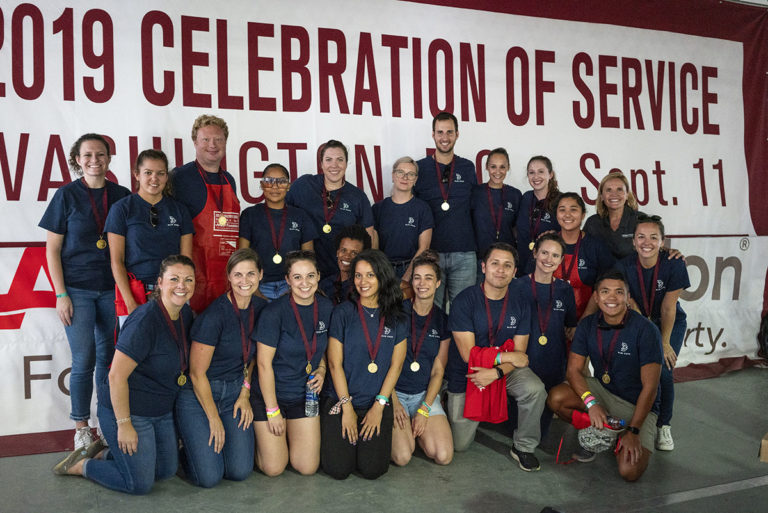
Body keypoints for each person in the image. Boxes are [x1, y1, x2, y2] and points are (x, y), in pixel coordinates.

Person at [53, 255, 196, 494]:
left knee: (166, 471)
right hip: (130, 412)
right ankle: (82, 466)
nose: (181, 285)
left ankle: (107, 455)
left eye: (188, 279)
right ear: (159, 283)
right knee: (139, 484)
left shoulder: (186, 315)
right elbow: (115, 377)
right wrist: (125, 424)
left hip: (160, 412)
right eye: (174, 279)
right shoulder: (144, 320)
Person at [40, 133, 131, 452]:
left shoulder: (121, 194)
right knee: (83, 360)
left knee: (109, 362)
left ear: (108, 158)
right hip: (77, 291)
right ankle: (81, 426)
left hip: (112, 291)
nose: (95, 160)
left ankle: (106, 423)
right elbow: (52, 249)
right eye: (88, 155)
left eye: (101, 154)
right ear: (77, 160)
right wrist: (60, 294)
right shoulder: (65, 196)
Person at [547, 270, 663, 482]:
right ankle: (602, 432)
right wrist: (591, 403)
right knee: (556, 397)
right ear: (596, 297)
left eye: (619, 292)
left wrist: (634, 431)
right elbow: (573, 370)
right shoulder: (587, 325)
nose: (612, 298)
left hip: (638, 406)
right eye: (605, 292)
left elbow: (651, 388)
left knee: (629, 472)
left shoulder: (646, 330)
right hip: (603, 392)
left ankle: (621, 434)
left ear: (628, 297)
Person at [446, 242, 546, 472]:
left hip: (501, 373)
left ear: (514, 272)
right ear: (483, 267)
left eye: (507, 265)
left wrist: (497, 372)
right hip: (469, 374)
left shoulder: (521, 303)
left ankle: (524, 447)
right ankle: (447, 397)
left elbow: (521, 356)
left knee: (534, 388)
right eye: (495, 263)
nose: (500, 270)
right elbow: (468, 355)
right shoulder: (464, 300)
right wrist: (505, 358)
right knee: (460, 445)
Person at [176, 248, 267, 487]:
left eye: (250, 274)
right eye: (237, 275)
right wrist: (213, 418)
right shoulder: (215, 316)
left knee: (239, 471)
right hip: (200, 395)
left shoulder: (262, 308)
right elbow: (196, 374)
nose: (244, 281)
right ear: (228, 277)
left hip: (235, 393)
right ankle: (182, 451)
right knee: (209, 478)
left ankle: (205, 450)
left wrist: (245, 392)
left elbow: (256, 356)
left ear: (260, 275)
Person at [321, 249, 408, 479]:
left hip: (376, 402)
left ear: (382, 276)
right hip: (342, 400)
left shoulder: (397, 317)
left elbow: (396, 366)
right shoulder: (343, 312)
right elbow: (333, 364)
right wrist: (347, 408)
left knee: (373, 470)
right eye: (358, 275)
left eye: (370, 275)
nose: (363, 281)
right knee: (339, 470)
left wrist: (379, 407)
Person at [253, 250, 333, 476]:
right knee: (274, 468)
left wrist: (322, 369)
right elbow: (263, 364)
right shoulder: (274, 312)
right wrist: (272, 410)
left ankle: (283, 441)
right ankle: (257, 444)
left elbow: (324, 347)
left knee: (307, 468)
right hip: (272, 395)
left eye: (310, 276)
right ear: (287, 280)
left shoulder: (326, 308)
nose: (304, 283)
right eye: (297, 277)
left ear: (318, 276)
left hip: (304, 396)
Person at [614, 215, 689, 451]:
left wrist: (664, 343)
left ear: (662, 241)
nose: (647, 242)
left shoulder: (674, 263)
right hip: (638, 321)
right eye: (641, 237)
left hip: (669, 323)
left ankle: (663, 425)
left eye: (653, 237)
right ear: (634, 242)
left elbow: (668, 308)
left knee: (663, 371)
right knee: (634, 369)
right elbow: (631, 303)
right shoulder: (624, 266)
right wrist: (644, 330)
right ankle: (638, 416)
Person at [105, 150, 193, 325]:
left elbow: (186, 260)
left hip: (174, 292)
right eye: (148, 173)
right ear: (137, 174)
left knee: (175, 349)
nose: (155, 178)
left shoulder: (180, 210)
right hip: (136, 293)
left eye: (160, 173)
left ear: (167, 177)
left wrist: (181, 294)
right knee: (135, 350)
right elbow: (117, 261)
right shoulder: (122, 209)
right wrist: (130, 302)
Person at [391, 251, 453, 466]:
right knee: (402, 457)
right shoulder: (397, 313)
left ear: (437, 283)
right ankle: (405, 431)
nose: (422, 283)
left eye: (428, 278)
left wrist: (424, 408)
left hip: (423, 394)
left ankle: (415, 428)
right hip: (395, 392)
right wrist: (393, 401)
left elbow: (438, 371)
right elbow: (383, 363)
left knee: (443, 456)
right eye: (417, 277)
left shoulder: (443, 321)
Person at [172, 114, 239, 312]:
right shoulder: (180, 177)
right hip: (193, 273)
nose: (213, 145)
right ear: (194, 142)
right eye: (206, 139)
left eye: (218, 139)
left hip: (227, 272)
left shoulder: (229, 179)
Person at [413, 111, 478, 311]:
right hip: (432, 254)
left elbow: (476, 208)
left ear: (457, 134)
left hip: (464, 254)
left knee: (464, 312)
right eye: (440, 132)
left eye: (449, 132)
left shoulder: (467, 167)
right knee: (431, 313)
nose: (445, 138)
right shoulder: (420, 168)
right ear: (433, 135)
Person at [286, 139, 376, 277]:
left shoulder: (358, 197)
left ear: (346, 164)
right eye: (328, 160)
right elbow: (282, 214)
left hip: (343, 272)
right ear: (321, 164)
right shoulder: (303, 185)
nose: (334, 165)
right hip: (305, 272)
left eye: (340, 159)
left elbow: (368, 239)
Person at [517, 234, 577, 437]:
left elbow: (570, 326)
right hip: (523, 361)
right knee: (512, 425)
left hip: (553, 360)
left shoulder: (565, 290)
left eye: (555, 255)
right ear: (534, 253)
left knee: (541, 432)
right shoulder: (517, 286)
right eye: (544, 252)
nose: (548, 259)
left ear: (561, 260)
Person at [239, 163, 317, 300]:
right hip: (258, 285)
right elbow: (242, 257)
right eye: (269, 181)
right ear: (262, 184)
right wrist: (254, 289)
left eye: (281, 181)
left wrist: (297, 288)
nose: (275, 186)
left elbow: (308, 258)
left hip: (292, 286)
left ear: (288, 186)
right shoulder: (249, 215)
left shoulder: (301, 216)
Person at [551, 193, 615, 318]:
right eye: (562, 210)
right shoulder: (547, 244)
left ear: (583, 215)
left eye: (573, 210)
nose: (567, 214)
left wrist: (582, 324)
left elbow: (605, 287)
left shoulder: (596, 247)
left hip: (588, 321)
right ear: (556, 215)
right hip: (549, 321)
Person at [372, 157, 433, 281]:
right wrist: (381, 273)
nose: (405, 177)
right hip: (384, 270)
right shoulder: (378, 208)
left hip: (412, 269)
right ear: (393, 175)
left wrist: (407, 277)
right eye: (400, 172)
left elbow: (424, 248)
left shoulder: (423, 208)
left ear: (415, 179)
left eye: (411, 174)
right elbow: (374, 247)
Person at [470, 148, 522, 283]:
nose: (497, 172)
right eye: (493, 167)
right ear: (486, 167)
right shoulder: (475, 192)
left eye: (502, 167)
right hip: (479, 260)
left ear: (508, 168)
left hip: (505, 261)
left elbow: (519, 228)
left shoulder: (515, 195)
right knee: (480, 300)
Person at [515, 156, 561, 274]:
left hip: (547, 267)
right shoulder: (525, 198)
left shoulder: (561, 201)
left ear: (550, 174)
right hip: (523, 264)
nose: (536, 177)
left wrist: (557, 235)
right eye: (531, 172)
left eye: (541, 171)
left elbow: (569, 234)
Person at [583, 171, 642, 260]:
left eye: (619, 189)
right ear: (602, 196)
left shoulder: (641, 220)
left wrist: (668, 251)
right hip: (601, 274)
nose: (614, 194)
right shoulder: (593, 222)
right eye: (608, 190)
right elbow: (582, 252)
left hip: (633, 273)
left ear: (627, 195)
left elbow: (655, 247)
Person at [318, 224, 371, 305]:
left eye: (354, 253)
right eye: (343, 250)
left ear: (363, 257)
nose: (347, 256)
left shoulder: (366, 287)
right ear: (337, 252)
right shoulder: (325, 285)